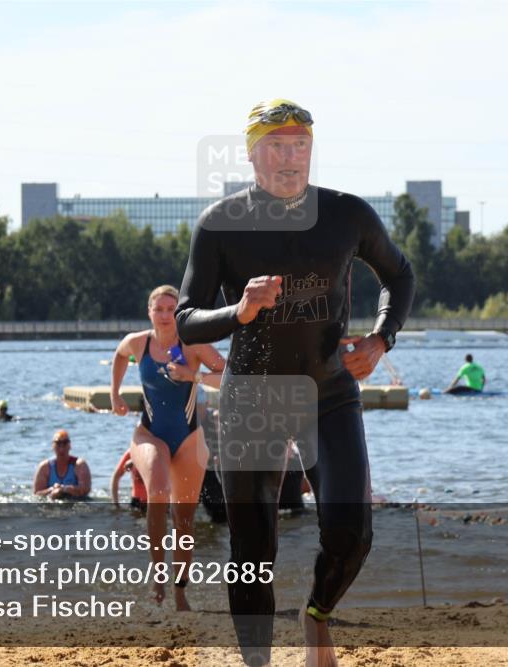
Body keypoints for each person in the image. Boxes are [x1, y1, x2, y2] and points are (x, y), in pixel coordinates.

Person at [176, 99, 415, 667]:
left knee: (352, 531)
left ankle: (317, 616)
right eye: (277, 146)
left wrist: (382, 338)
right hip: (251, 398)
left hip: (328, 393)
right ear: (252, 154)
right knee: (253, 548)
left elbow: (398, 273)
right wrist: (239, 310)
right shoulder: (219, 224)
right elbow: (187, 318)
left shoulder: (346, 215)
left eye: (300, 145)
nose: (291, 157)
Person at [111, 285, 226, 610]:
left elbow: (230, 374)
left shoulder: (194, 345)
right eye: (158, 309)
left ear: (179, 313)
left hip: (189, 439)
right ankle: (158, 575)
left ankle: (180, 589)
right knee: (159, 492)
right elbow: (120, 356)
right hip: (150, 434)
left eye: (170, 309)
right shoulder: (139, 342)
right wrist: (115, 393)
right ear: (149, 312)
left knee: (185, 520)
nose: (164, 315)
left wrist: (193, 376)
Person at [33, 429, 92, 499]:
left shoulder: (79, 465)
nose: (61, 448)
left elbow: (85, 490)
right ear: (53, 446)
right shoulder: (45, 467)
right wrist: (52, 490)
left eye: (65, 443)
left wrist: (64, 489)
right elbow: (37, 493)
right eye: (58, 443)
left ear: (70, 445)